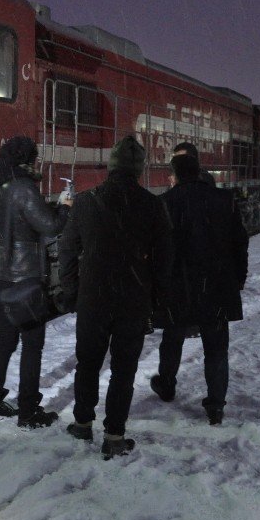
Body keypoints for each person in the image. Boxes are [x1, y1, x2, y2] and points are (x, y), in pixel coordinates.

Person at [59, 136, 173, 458]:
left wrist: (71, 292)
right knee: (124, 369)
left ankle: (82, 424)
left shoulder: (85, 201)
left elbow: (66, 250)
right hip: (133, 301)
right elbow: (165, 260)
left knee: (88, 363)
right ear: (139, 170)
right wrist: (157, 300)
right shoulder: (153, 205)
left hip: (93, 298)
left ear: (111, 167)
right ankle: (113, 435)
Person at [0, 136, 72, 428]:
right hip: (25, 275)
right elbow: (50, 226)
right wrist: (64, 206)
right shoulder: (24, 188)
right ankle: (29, 411)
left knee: (5, 341)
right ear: (28, 160)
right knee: (32, 344)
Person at [150, 153, 248, 425]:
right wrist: (238, 278)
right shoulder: (224, 200)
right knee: (216, 348)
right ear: (199, 171)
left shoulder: (165, 203)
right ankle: (216, 404)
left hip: (178, 288)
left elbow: (157, 252)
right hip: (216, 287)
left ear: (175, 174)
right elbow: (240, 242)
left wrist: (157, 287)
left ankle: (167, 384)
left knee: (172, 339)